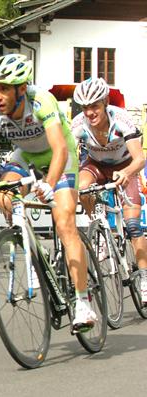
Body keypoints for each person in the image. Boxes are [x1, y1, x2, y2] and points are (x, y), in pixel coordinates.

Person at [0, 54, 97, 331]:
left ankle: (83, 302)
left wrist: (49, 182)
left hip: (60, 156)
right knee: (4, 193)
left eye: (4, 88)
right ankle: (28, 248)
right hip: (26, 156)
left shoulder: (42, 101)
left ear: (22, 88)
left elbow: (59, 149)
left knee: (65, 220)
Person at [72, 77, 147, 306]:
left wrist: (127, 173)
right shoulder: (78, 124)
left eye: (94, 106)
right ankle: (98, 225)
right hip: (95, 164)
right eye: (85, 107)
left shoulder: (121, 119)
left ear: (105, 102)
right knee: (82, 188)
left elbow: (140, 159)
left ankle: (144, 278)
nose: (90, 112)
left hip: (126, 166)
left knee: (133, 225)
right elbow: (70, 158)